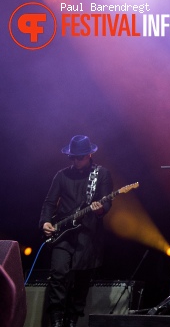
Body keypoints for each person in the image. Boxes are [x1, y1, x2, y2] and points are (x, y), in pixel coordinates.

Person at [40, 135, 113, 327]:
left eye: (79, 157)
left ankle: (72, 320)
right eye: (72, 157)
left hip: (88, 234)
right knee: (58, 273)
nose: (75, 161)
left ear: (89, 155)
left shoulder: (101, 174)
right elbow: (49, 202)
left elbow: (107, 202)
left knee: (82, 279)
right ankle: (56, 319)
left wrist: (100, 209)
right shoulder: (61, 175)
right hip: (63, 232)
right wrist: (45, 221)